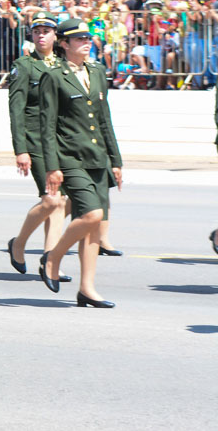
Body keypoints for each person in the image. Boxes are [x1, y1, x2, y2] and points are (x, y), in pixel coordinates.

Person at [38, 20, 123, 308]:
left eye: (89, 37)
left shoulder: (97, 71)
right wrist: (52, 166)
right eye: (79, 39)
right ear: (64, 44)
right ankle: (53, 256)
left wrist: (116, 160)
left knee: (95, 228)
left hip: (98, 156)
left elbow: (104, 119)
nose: (87, 42)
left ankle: (87, 288)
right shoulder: (54, 75)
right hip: (69, 157)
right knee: (91, 215)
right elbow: (47, 124)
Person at [6, 13, 69, 273]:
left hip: (62, 140)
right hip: (36, 140)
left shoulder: (64, 64)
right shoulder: (25, 65)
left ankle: (50, 259)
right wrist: (21, 149)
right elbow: (16, 109)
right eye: (37, 31)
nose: (41, 35)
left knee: (62, 200)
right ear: (31, 35)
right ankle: (19, 244)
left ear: (56, 36)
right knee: (52, 200)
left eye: (47, 30)